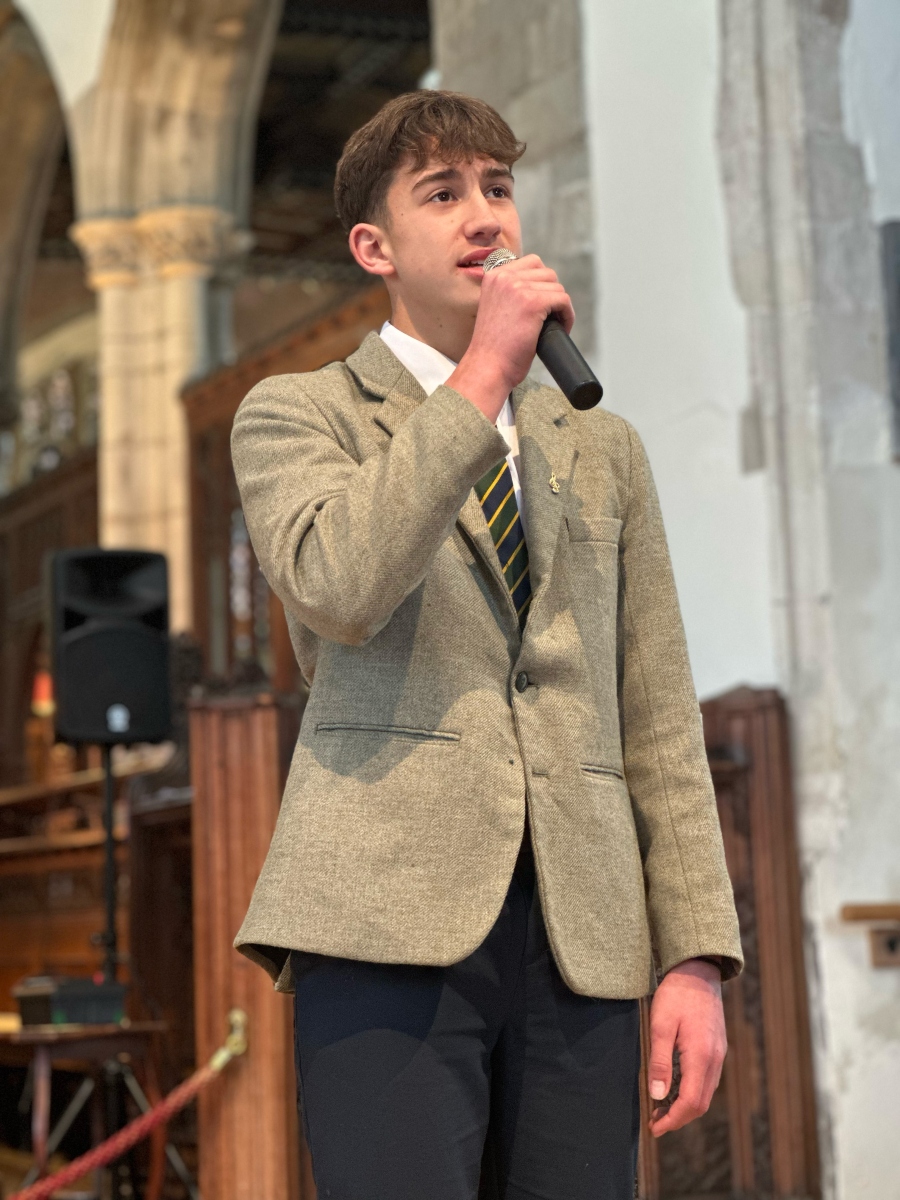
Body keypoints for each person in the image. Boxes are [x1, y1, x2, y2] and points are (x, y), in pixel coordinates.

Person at [231, 90, 742, 1200]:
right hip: (385, 921)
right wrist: (482, 380)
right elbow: (339, 585)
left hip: (583, 932)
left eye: (498, 188)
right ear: (374, 247)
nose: (484, 215)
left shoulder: (603, 447)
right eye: (443, 193)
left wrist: (695, 955)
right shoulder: (299, 413)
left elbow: (657, 712)